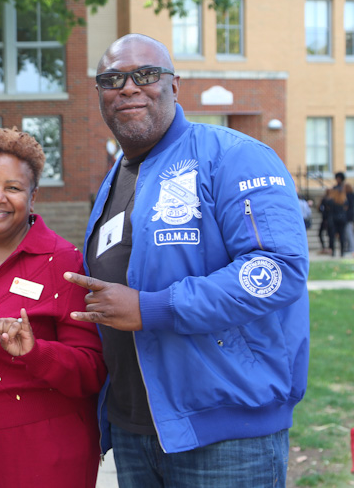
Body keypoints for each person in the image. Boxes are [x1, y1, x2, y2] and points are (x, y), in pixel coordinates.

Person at [65, 34, 310, 488]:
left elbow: (276, 270)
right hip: (137, 431)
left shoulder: (234, 156)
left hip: (228, 437)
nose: (128, 87)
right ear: (99, 94)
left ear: (174, 85)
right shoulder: (116, 178)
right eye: (112, 79)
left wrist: (153, 308)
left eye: (145, 75)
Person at [0, 127, 107, 488]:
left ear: (33, 196)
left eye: (12, 187)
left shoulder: (62, 261)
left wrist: (36, 352)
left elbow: (93, 370)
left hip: (42, 447)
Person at [327, 172, 349, 256]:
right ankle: (342, 252)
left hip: (334, 218)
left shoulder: (332, 200)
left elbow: (328, 205)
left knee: (332, 235)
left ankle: (333, 251)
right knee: (342, 235)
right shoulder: (344, 200)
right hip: (342, 218)